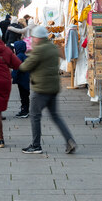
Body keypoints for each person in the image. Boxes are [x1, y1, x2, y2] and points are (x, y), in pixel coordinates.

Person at [19, 25, 77, 155]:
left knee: (34, 116)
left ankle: (36, 145)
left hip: (40, 88)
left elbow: (25, 66)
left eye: (34, 37)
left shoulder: (39, 50)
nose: (33, 39)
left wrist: (21, 63)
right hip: (53, 87)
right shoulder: (52, 47)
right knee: (56, 116)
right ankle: (69, 140)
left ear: (38, 38)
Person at [10, 36, 31, 118]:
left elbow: (16, 69)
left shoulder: (18, 57)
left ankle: (24, 111)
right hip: (25, 80)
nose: (13, 50)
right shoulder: (24, 56)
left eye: (14, 48)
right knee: (25, 96)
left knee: (23, 96)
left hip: (22, 80)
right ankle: (25, 110)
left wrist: (12, 77)